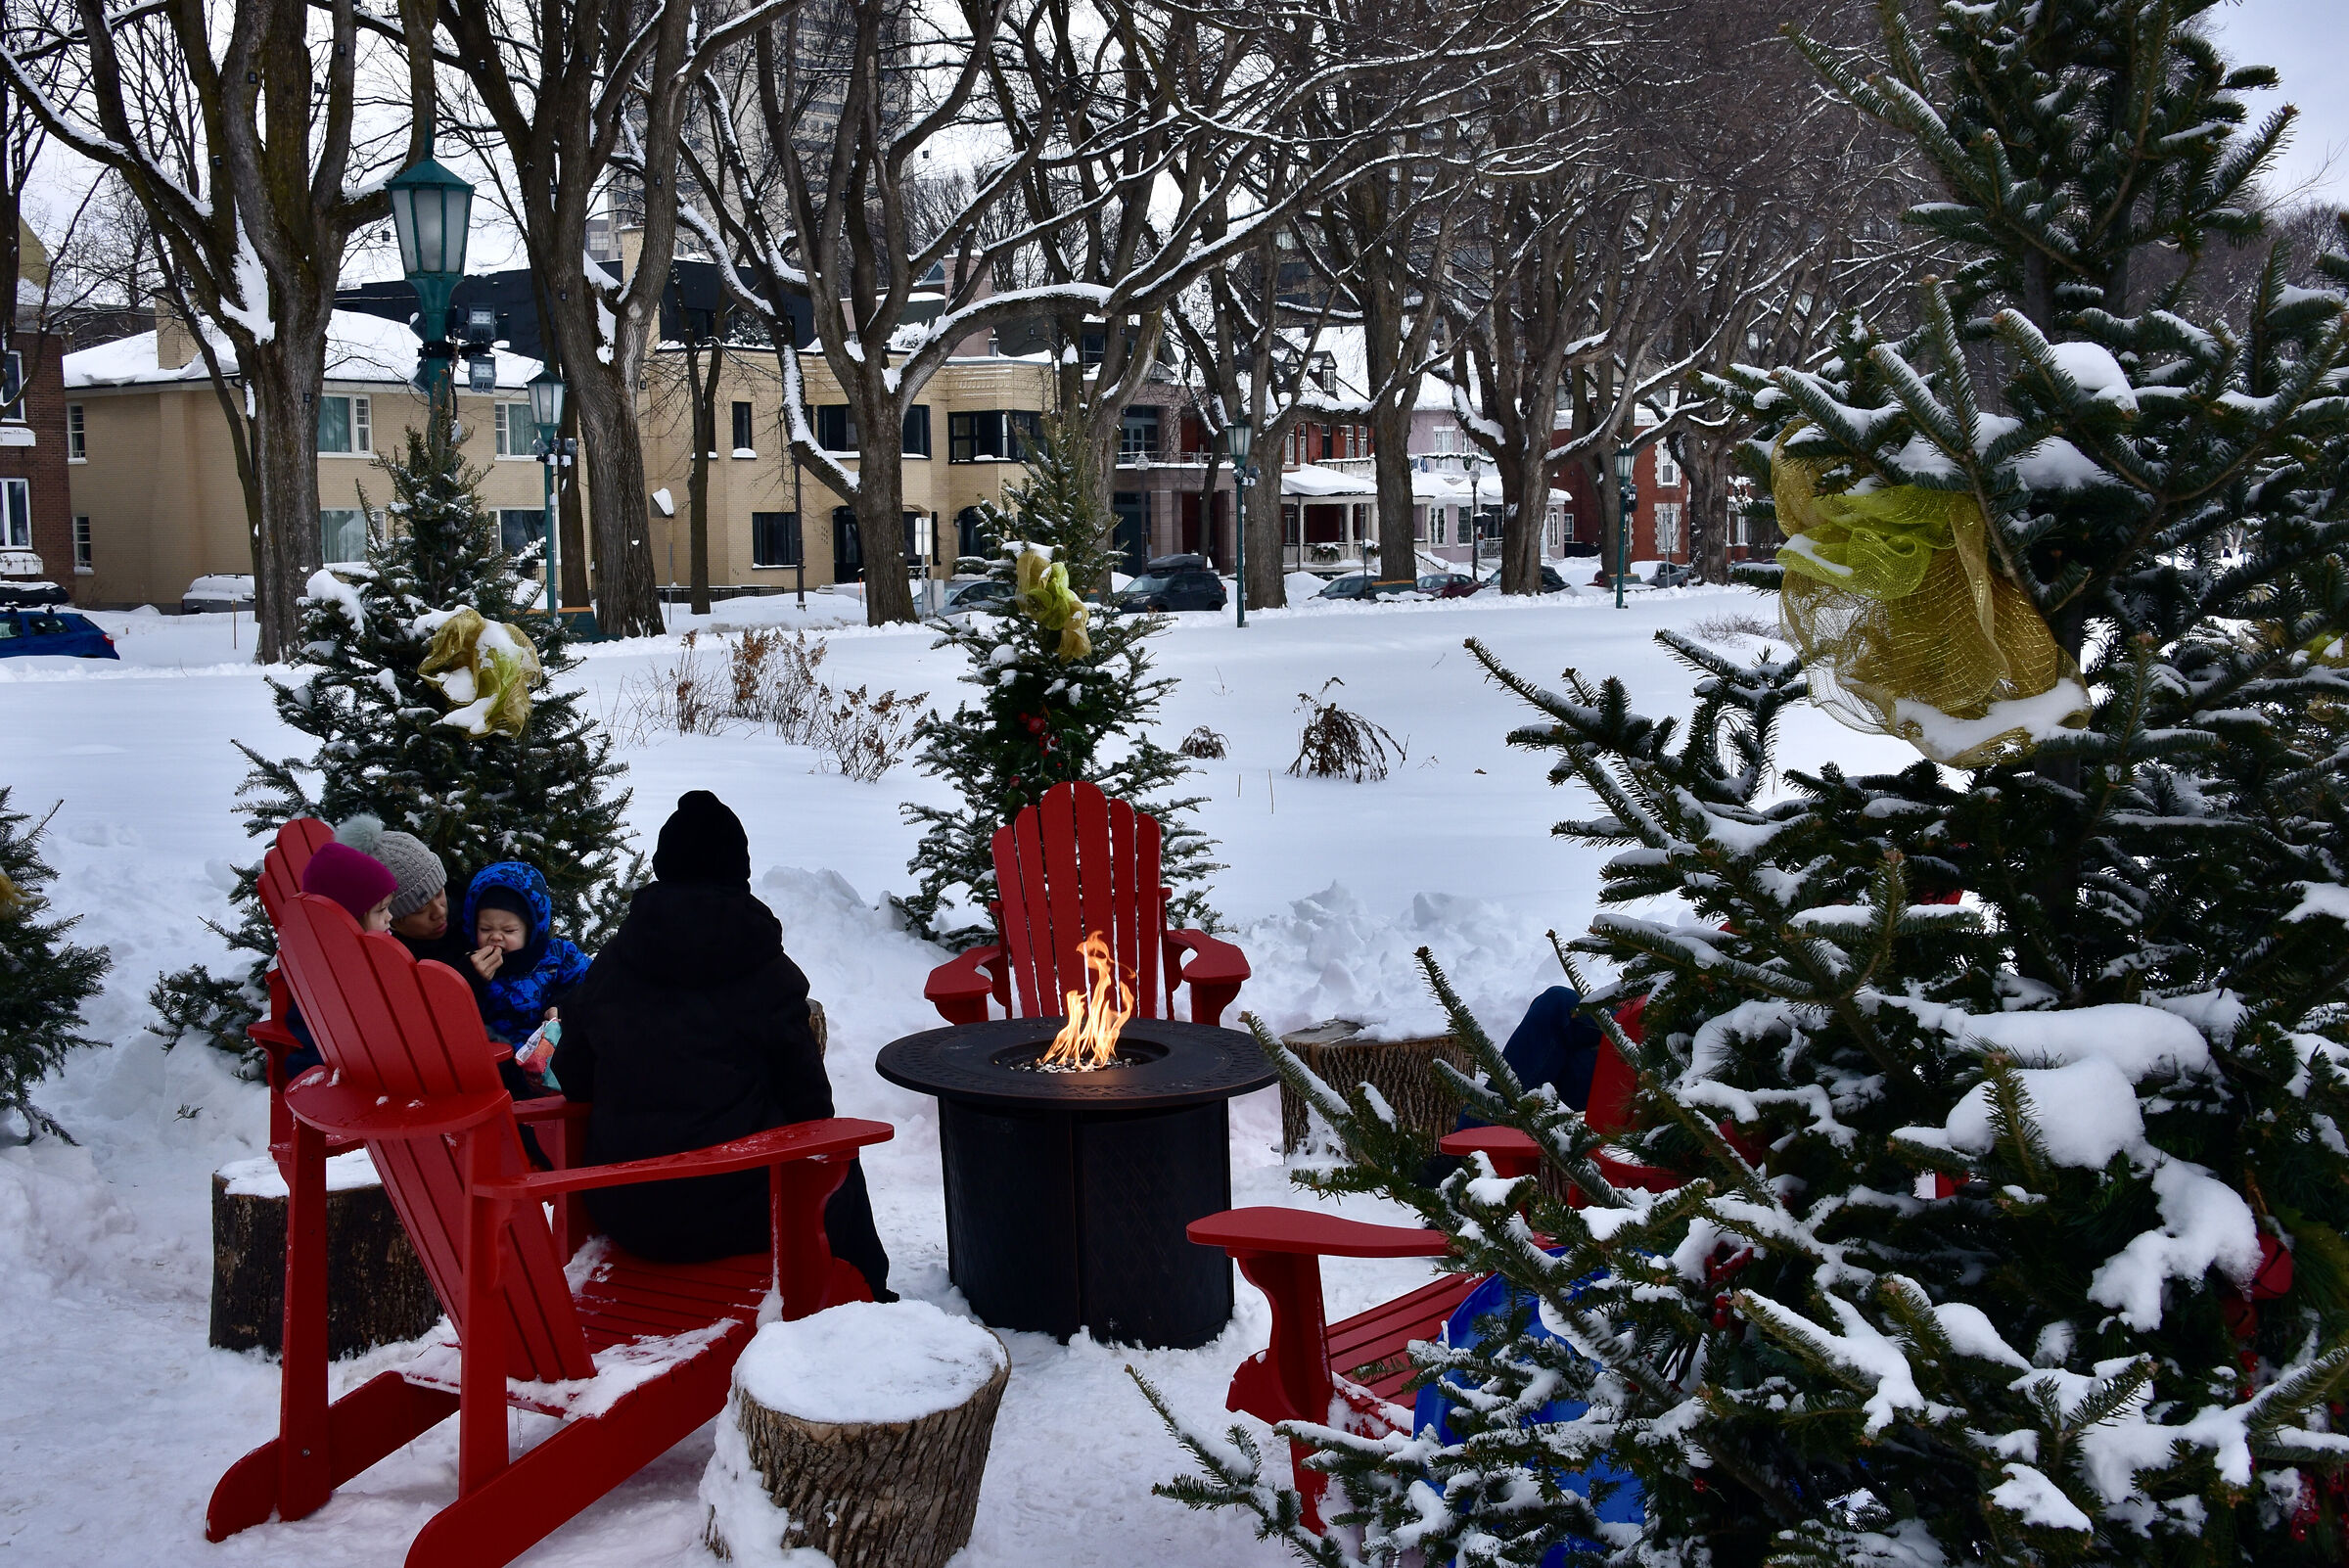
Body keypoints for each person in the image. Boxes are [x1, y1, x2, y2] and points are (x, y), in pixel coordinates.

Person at [552, 791, 892, 1298]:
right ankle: (869, 1295)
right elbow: (811, 1105)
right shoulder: (765, 968)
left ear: (663, 866)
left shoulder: (612, 964)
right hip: (741, 1212)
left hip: (625, 1209)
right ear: (740, 869)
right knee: (836, 1156)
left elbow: (573, 1074)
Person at [279, 842, 399, 1077]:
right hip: (330, 1070)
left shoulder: (374, 951)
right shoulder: (330, 972)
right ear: (347, 919)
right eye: (380, 910)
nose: (389, 917)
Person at [460, 861, 591, 1048]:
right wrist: (468, 981)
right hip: (494, 1064)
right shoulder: (472, 965)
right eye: (485, 928)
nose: (496, 937)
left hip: (551, 1059)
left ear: (530, 931)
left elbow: (592, 984)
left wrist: (563, 1007)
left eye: (509, 930)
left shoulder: (557, 956)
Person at [333, 814, 472, 969]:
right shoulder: (397, 963)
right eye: (420, 909)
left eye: (439, 893)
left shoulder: (471, 910)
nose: (438, 912)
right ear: (391, 919)